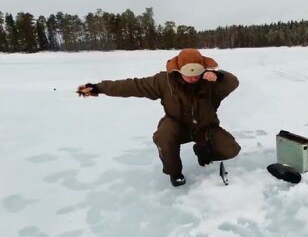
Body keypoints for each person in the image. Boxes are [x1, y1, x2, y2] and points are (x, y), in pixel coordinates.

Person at [76, 48, 241, 187]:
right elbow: (133, 85)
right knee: (164, 136)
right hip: (177, 126)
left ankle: (203, 150)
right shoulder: (164, 81)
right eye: (188, 73)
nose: (193, 78)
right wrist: (99, 88)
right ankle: (174, 172)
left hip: (205, 128)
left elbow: (233, 82)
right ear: (178, 70)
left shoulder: (212, 83)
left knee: (231, 149)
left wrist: (218, 77)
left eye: (196, 74)